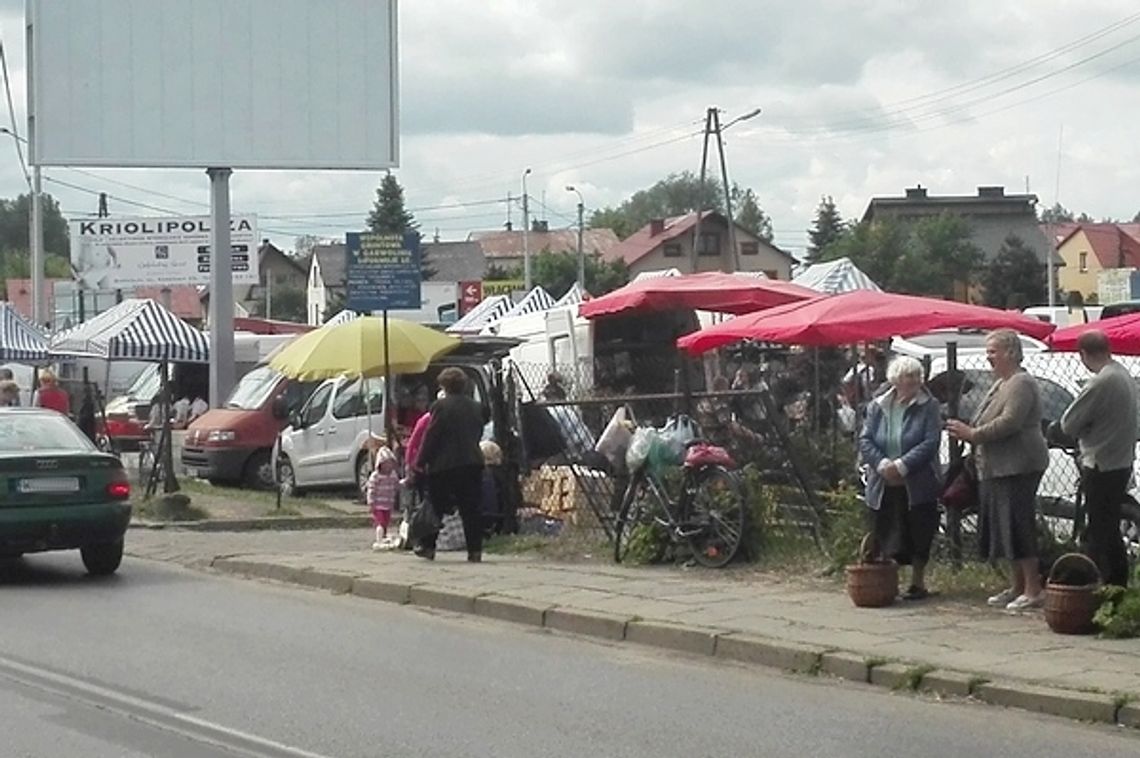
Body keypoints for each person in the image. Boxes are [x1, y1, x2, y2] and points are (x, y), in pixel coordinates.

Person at [946, 329, 1050, 611]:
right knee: (1004, 527)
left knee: (1019, 525)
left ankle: (1033, 588)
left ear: (1010, 353)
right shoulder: (1000, 383)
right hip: (996, 467)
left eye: (993, 351)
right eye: (988, 351)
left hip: (1018, 465)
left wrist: (973, 435)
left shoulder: (1021, 382)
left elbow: (1010, 422)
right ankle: (1017, 586)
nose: (988, 357)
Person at [1058, 330, 1138, 587]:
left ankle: (1110, 584)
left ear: (1083, 354)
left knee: (1102, 529)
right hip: (1121, 459)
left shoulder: (1101, 382)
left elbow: (1069, 423)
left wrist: (1078, 430)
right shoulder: (1123, 375)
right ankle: (1114, 583)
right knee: (1108, 525)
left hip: (1101, 461)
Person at [858, 356, 942, 600]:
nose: (914, 381)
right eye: (908, 376)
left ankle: (917, 583)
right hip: (883, 478)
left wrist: (903, 466)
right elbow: (865, 439)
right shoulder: (878, 406)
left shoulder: (929, 406)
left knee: (918, 529)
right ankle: (886, 582)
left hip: (917, 479)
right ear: (896, 380)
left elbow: (930, 441)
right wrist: (883, 464)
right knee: (886, 528)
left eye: (917, 376)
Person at [414, 367, 488, 563]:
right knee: (471, 508)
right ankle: (475, 551)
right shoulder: (476, 407)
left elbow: (432, 436)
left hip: (444, 465)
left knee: (436, 506)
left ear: (444, 386)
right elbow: (478, 431)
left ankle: (428, 546)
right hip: (472, 462)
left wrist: (421, 461)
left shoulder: (440, 406)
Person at [366, 445, 399, 551]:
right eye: (386, 463)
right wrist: (371, 502)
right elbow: (371, 488)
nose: (388, 466)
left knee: (386, 521)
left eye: (390, 463)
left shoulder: (393, 475)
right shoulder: (376, 476)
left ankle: (383, 536)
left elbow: (396, 485)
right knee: (380, 522)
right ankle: (379, 538)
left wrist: (403, 484)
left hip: (388, 504)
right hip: (378, 504)